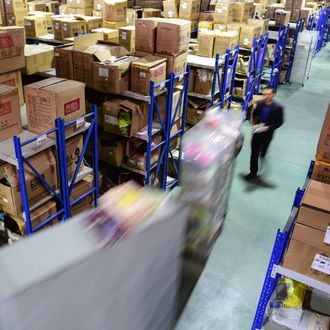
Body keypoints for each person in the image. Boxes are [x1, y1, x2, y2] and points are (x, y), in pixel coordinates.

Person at [245, 86, 284, 180]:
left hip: (268, 134)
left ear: (273, 95)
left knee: (263, 151)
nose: (265, 96)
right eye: (264, 94)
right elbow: (254, 115)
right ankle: (253, 172)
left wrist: (268, 128)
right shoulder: (259, 104)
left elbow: (280, 122)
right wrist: (255, 124)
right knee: (254, 153)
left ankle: (263, 153)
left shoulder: (278, 108)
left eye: (268, 94)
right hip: (257, 133)